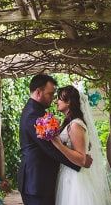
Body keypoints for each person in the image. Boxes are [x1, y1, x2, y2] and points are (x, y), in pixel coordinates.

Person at [18, 74, 92, 205]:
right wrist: (80, 161)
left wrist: (80, 158)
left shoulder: (37, 111)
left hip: (42, 181)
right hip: (37, 182)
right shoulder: (33, 115)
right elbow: (49, 148)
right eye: (50, 94)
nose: (53, 99)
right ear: (38, 92)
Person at [51, 85, 111, 205]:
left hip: (76, 178)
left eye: (59, 98)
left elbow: (81, 159)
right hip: (68, 174)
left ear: (68, 102)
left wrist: (58, 144)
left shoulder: (76, 125)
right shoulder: (70, 122)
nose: (56, 101)